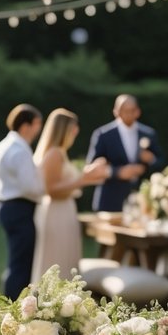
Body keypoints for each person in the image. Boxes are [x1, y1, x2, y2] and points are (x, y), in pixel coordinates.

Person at [31, 109, 109, 282]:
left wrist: (90, 177)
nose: (76, 131)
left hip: (64, 210)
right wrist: (84, 178)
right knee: (57, 260)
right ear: (63, 129)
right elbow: (51, 189)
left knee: (65, 259)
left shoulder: (60, 152)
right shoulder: (54, 153)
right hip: (57, 213)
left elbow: (67, 184)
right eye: (73, 127)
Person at [0, 104, 45, 300]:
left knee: (17, 260)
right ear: (26, 125)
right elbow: (29, 186)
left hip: (6, 206)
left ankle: (10, 304)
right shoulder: (20, 150)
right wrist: (45, 189)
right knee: (21, 263)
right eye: (37, 124)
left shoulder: (2, 146)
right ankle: (13, 306)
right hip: (19, 208)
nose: (39, 129)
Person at [85, 94, 164, 212]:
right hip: (110, 200)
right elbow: (92, 167)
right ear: (116, 111)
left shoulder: (149, 134)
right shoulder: (103, 135)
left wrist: (150, 160)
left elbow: (161, 162)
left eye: (132, 110)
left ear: (138, 111)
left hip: (141, 200)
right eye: (124, 110)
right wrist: (118, 172)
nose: (128, 114)